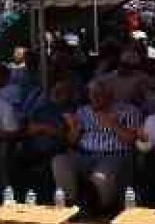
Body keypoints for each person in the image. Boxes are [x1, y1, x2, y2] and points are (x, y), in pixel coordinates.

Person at [53, 80, 143, 212]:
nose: (94, 97)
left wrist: (113, 124)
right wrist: (74, 128)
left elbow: (132, 141)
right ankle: (69, 205)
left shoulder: (129, 111)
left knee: (100, 177)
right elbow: (72, 142)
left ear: (110, 95)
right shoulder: (83, 111)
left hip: (114, 155)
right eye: (91, 93)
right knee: (59, 161)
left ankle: (101, 208)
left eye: (99, 94)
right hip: (84, 154)